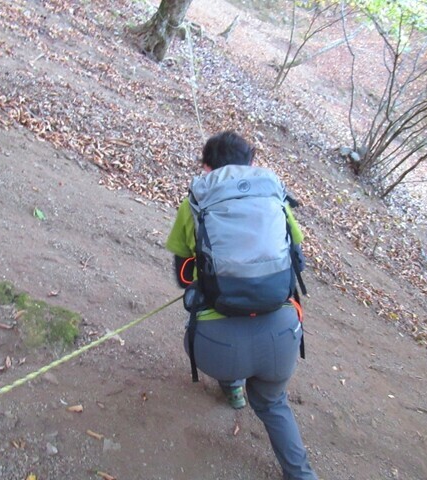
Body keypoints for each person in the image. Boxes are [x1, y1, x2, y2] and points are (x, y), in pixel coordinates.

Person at [165, 131, 318, 480]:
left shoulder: (195, 204)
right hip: (280, 341)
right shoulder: (275, 200)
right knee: (273, 403)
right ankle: (302, 475)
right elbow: (297, 258)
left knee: (209, 324)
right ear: (252, 163)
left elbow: (183, 276)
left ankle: (232, 385)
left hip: (218, 350)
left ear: (206, 168)